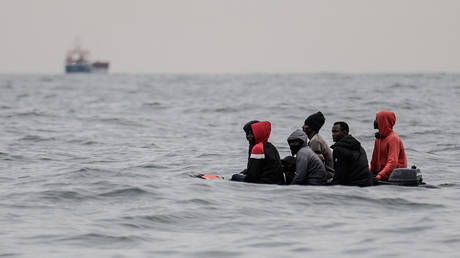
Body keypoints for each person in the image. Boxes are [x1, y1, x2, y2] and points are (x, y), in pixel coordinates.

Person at [330, 122, 372, 186]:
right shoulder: (359, 146)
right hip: (367, 182)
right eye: (332, 132)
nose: (333, 134)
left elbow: (340, 176)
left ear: (344, 132)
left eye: (336, 132)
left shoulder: (338, 150)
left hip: (354, 185)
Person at [370, 110, 407, 181]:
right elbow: (373, 163)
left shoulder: (393, 139)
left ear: (383, 121)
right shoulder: (378, 139)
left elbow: (392, 163)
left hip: (395, 175)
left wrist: (379, 176)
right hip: (382, 173)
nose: (375, 121)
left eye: (377, 119)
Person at [303, 111, 334, 180]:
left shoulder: (315, 141)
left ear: (311, 128)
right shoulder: (316, 138)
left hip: (327, 174)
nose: (303, 127)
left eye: (305, 124)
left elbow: (317, 162)